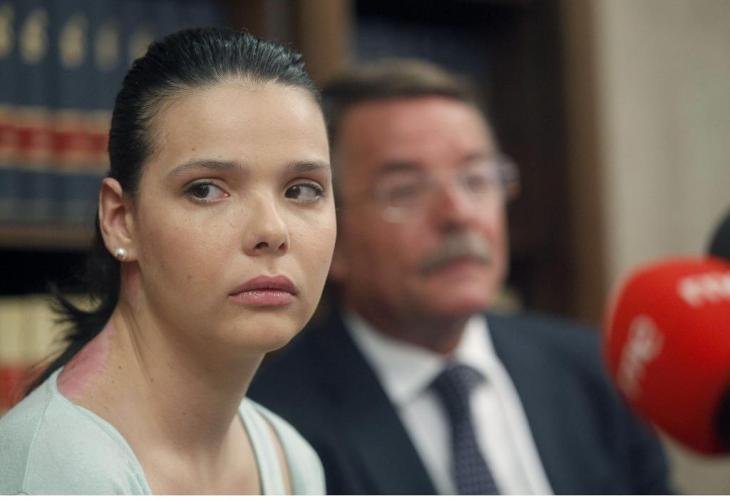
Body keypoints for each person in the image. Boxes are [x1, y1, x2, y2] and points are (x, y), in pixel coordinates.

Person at [248, 59, 672, 494]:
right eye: (405, 190)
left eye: (476, 178)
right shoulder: (273, 430)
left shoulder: (597, 373)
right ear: (330, 236)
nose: (459, 214)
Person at [0, 27, 336, 494]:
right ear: (120, 220)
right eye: (206, 189)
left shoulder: (290, 458)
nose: (272, 231)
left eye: (302, 190)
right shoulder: (55, 471)